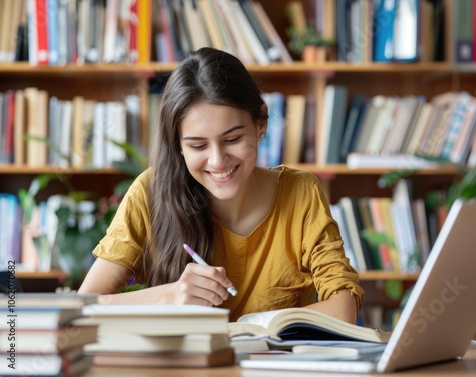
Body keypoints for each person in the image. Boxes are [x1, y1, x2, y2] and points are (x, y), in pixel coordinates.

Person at [78, 47, 364, 324]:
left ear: (261, 123)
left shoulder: (300, 192)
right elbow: (84, 308)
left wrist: (254, 323)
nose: (217, 161)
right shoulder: (150, 192)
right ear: (178, 144)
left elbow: (343, 308)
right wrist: (170, 296)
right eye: (198, 145)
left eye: (232, 140)